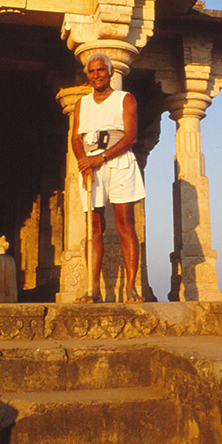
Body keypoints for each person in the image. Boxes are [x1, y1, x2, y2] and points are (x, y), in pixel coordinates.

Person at [72, 53, 145, 303]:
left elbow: (130, 136)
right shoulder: (82, 103)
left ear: (110, 72)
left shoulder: (125, 99)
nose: (96, 75)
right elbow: (75, 137)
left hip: (119, 163)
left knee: (125, 224)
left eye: (100, 70)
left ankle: (131, 288)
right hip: (92, 168)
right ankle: (92, 289)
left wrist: (100, 158)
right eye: (91, 71)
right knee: (94, 227)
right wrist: (85, 163)